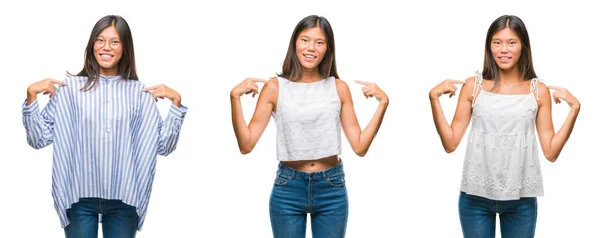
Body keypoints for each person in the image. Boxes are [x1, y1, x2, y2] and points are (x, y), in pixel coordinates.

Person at [22, 15, 188, 238]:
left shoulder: (139, 94)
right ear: (92, 45)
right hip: (78, 197)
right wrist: (31, 95)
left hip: (124, 198)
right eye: (100, 40)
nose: (106, 47)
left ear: (125, 48)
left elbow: (163, 146)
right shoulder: (70, 89)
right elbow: (38, 139)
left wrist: (176, 104)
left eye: (114, 41)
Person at [230, 15, 389, 238]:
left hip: (331, 187)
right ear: (295, 42)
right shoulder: (275, 88)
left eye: (319, 42)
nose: (311, 48)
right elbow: (246, 145)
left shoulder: (339, 88)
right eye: (305, 40)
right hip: (288, 188)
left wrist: (383, 104)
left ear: (327, 49)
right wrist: (234, 98)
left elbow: (360, 147)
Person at [429, 15, 580, 237]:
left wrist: (574, 108)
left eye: (512, 42)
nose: (503, 49)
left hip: (521, 201)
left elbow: (551, 152)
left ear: (523, 46)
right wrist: (433, 98)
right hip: (475, 199)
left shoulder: (538, 91)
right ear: (489, 46)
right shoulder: (473, 87)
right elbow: (450, 143)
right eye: (497, 42)